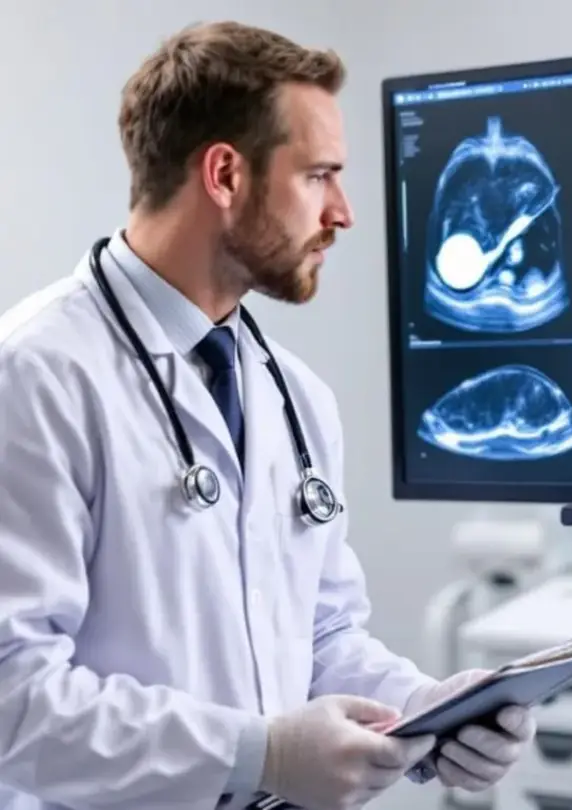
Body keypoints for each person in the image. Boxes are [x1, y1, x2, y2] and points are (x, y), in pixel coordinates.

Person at [0, 20, 536, 810]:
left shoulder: (295, 396)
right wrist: (259, 755)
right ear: (225, 174)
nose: (343, 212)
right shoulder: (35, 376)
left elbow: (320, 636)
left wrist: (429, 708)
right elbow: (14, 698)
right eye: (319, 176)